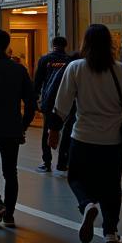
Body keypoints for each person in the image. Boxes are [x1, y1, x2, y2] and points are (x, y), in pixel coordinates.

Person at [51, 23, 122, 243]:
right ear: (110, 44)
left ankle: (87, 205)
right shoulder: (120, 69)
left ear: (85, 43)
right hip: (114, 141)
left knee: (76, 178)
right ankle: (110, 231)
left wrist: (54, 131)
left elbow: (62, 105)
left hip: (83, 138)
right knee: (111, 185)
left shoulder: (76, 67)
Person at [0, 29, 36, 228]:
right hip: (12, 128)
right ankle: (9, 214)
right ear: (8, 45)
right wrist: (23, 125)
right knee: (10, 172)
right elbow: (30, 101)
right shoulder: (19, 69)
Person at [34, 36, 72, 172]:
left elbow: (38, 81)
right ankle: (63, 161)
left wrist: (35, 99)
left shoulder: (45, 60)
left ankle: (47, 162)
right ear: (65, 45)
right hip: (67, 101)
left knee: (47, 131)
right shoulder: (70, 61)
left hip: (49, 100)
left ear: (52, 45)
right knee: (67, 131)